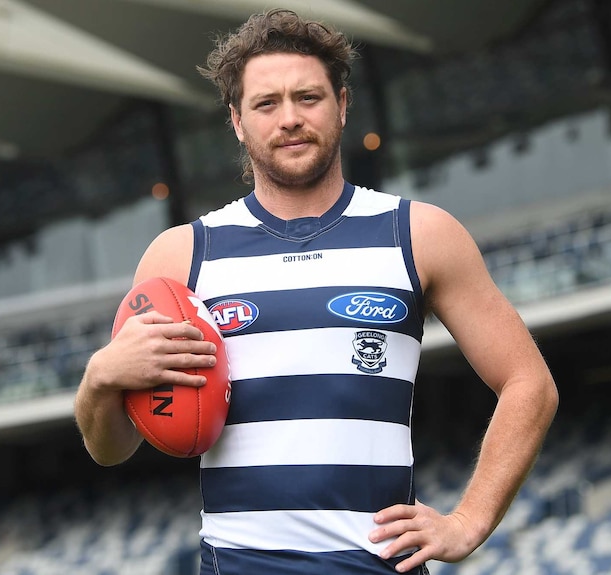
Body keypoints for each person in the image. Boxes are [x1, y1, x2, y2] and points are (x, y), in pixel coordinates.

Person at [74, 8, 558, 574]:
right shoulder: (179, 256)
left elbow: (530, 384)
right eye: (266, 103)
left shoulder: (420, 234)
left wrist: (468, 521)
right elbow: (112, 448)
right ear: (236, 120)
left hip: (379, 566)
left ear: (343, 104)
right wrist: (101, 377)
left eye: (308, 97)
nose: (290, 119)